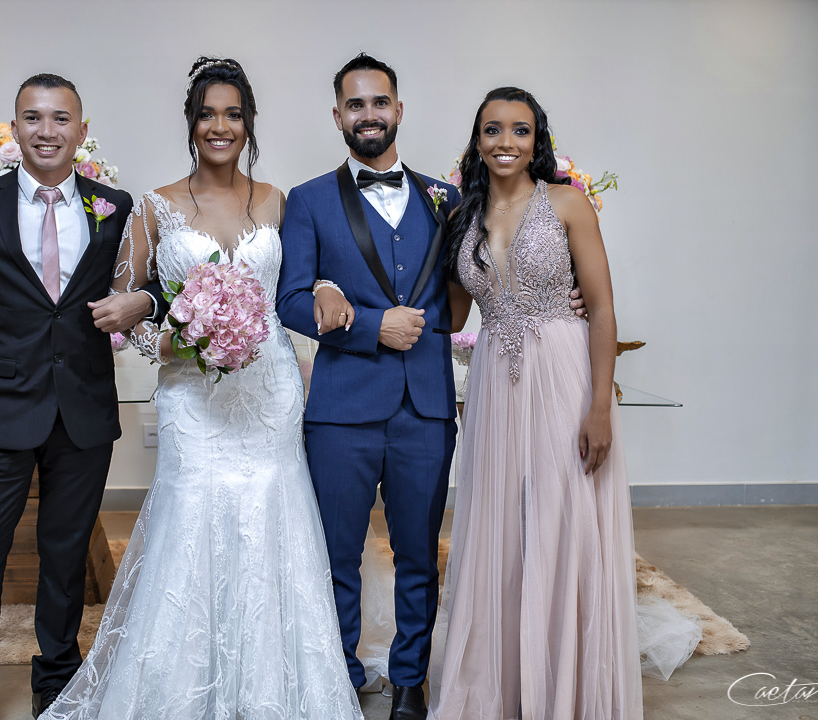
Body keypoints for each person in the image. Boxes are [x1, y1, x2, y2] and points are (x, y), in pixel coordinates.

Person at [39, 57, 363, 720]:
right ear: (191, 123)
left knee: (270, 524)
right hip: (192, 398)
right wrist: (165, 339)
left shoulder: (276, 201)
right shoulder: (153, 206)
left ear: (249, 123)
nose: (221, 126)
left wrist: (328, 286)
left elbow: (302, 281)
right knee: (192, 526)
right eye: (208, 114)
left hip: (268, 394)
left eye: (233, 115)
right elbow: (124, 308)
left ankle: (269, 693)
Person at [0, 74, 165, 720]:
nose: (47, 131)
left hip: (83, 412)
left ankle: (57, 681)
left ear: (81, 130)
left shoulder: (114, 205)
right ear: (15, 128)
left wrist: (144, 302)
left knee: (66, 559)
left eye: (60, 118)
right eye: (33, 118)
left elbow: (155, 283)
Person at [427, 87, 644, 720]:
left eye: (519, 130)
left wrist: (599, 407)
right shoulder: (461, 219)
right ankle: (504, 684)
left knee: (562, 518)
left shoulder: (567, 204)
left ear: (536, 140)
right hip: (496, 381)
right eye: (492, 129)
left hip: (563, 375)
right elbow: (453, 315)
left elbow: (601, 309)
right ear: (477, 141)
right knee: (501, 525)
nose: (505, 142)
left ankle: (566, 689)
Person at [275, 53, 460, 720]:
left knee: (419, 555)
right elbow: (290, 300)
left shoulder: (446, 199)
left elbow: (481, 278)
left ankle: (410, 682)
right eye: (356, 105)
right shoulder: (308, 200)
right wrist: (371, 326)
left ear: (398, 110)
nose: (369, 114)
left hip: (425, 408)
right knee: (337, 556)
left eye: (380, 102)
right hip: (342, 410)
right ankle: (341, 677)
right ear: (338, 116)